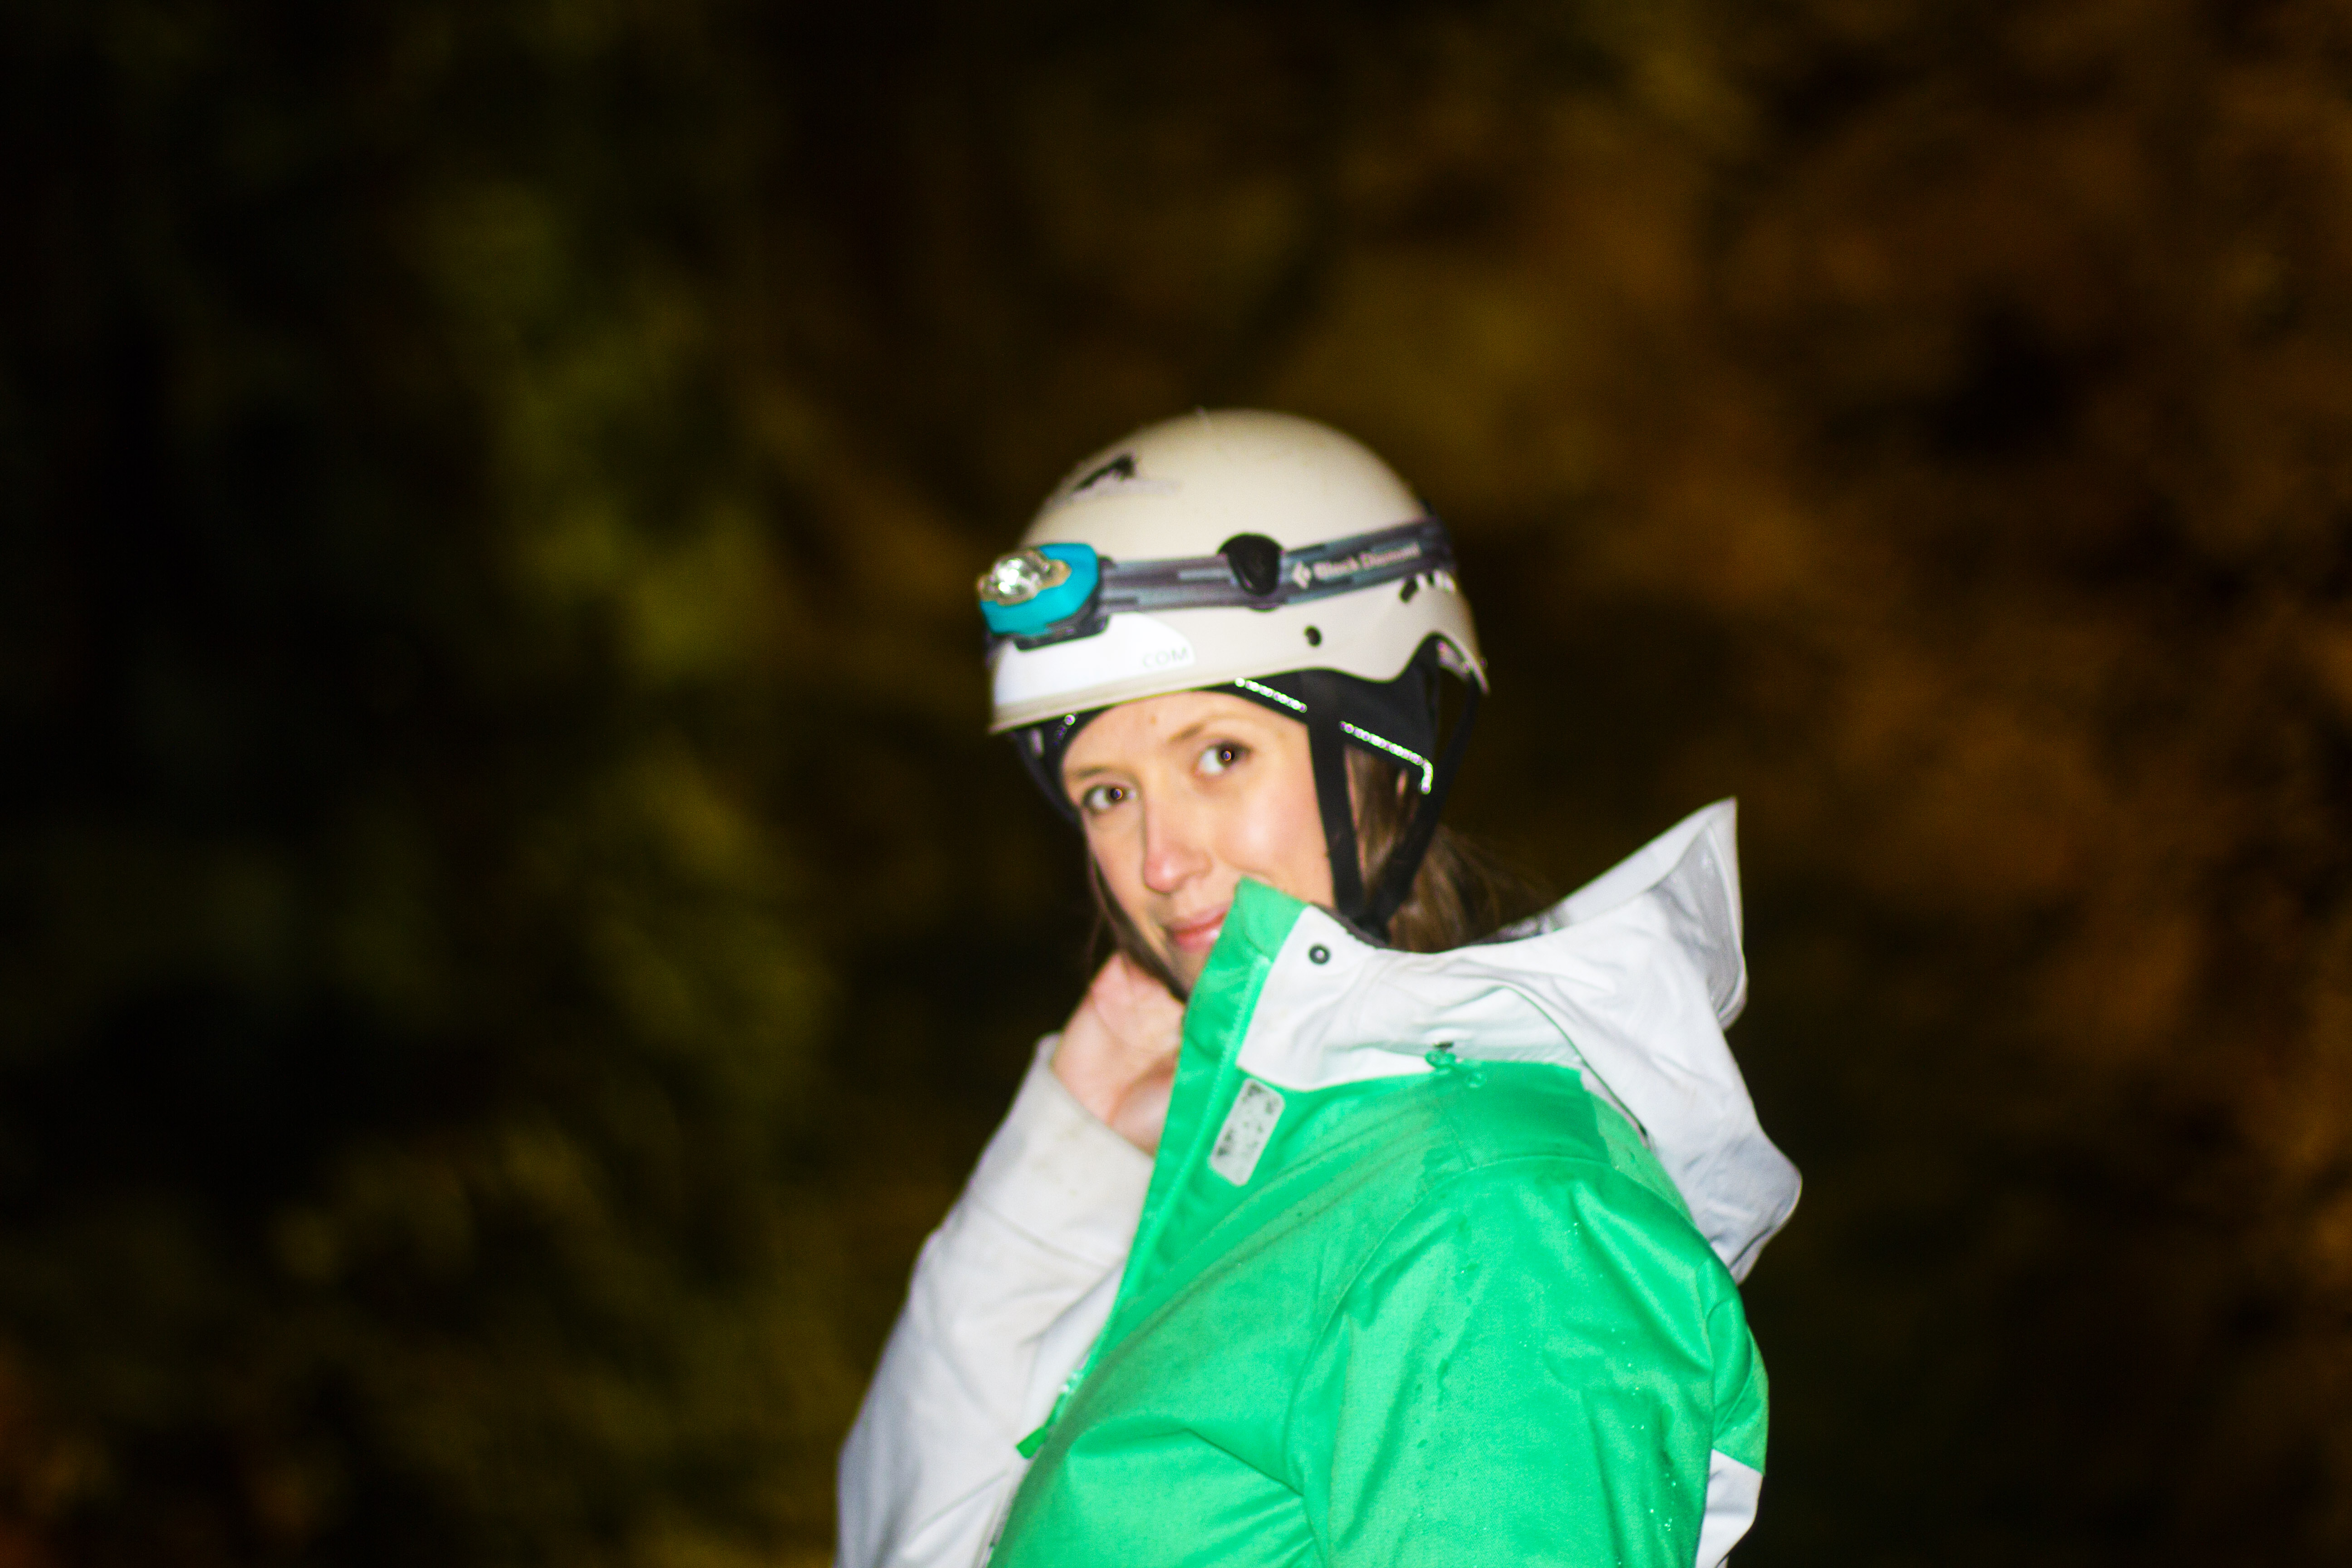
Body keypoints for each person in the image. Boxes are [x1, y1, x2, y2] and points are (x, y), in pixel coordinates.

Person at [836, 411, 1801, 1568]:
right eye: (1107, 793)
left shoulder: (1493, 1207)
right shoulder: (1257, 1177)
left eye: (1219, 755)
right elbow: (915, 1543)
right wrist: (1062, 1155)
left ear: (1379, 752)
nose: (1157, 862)